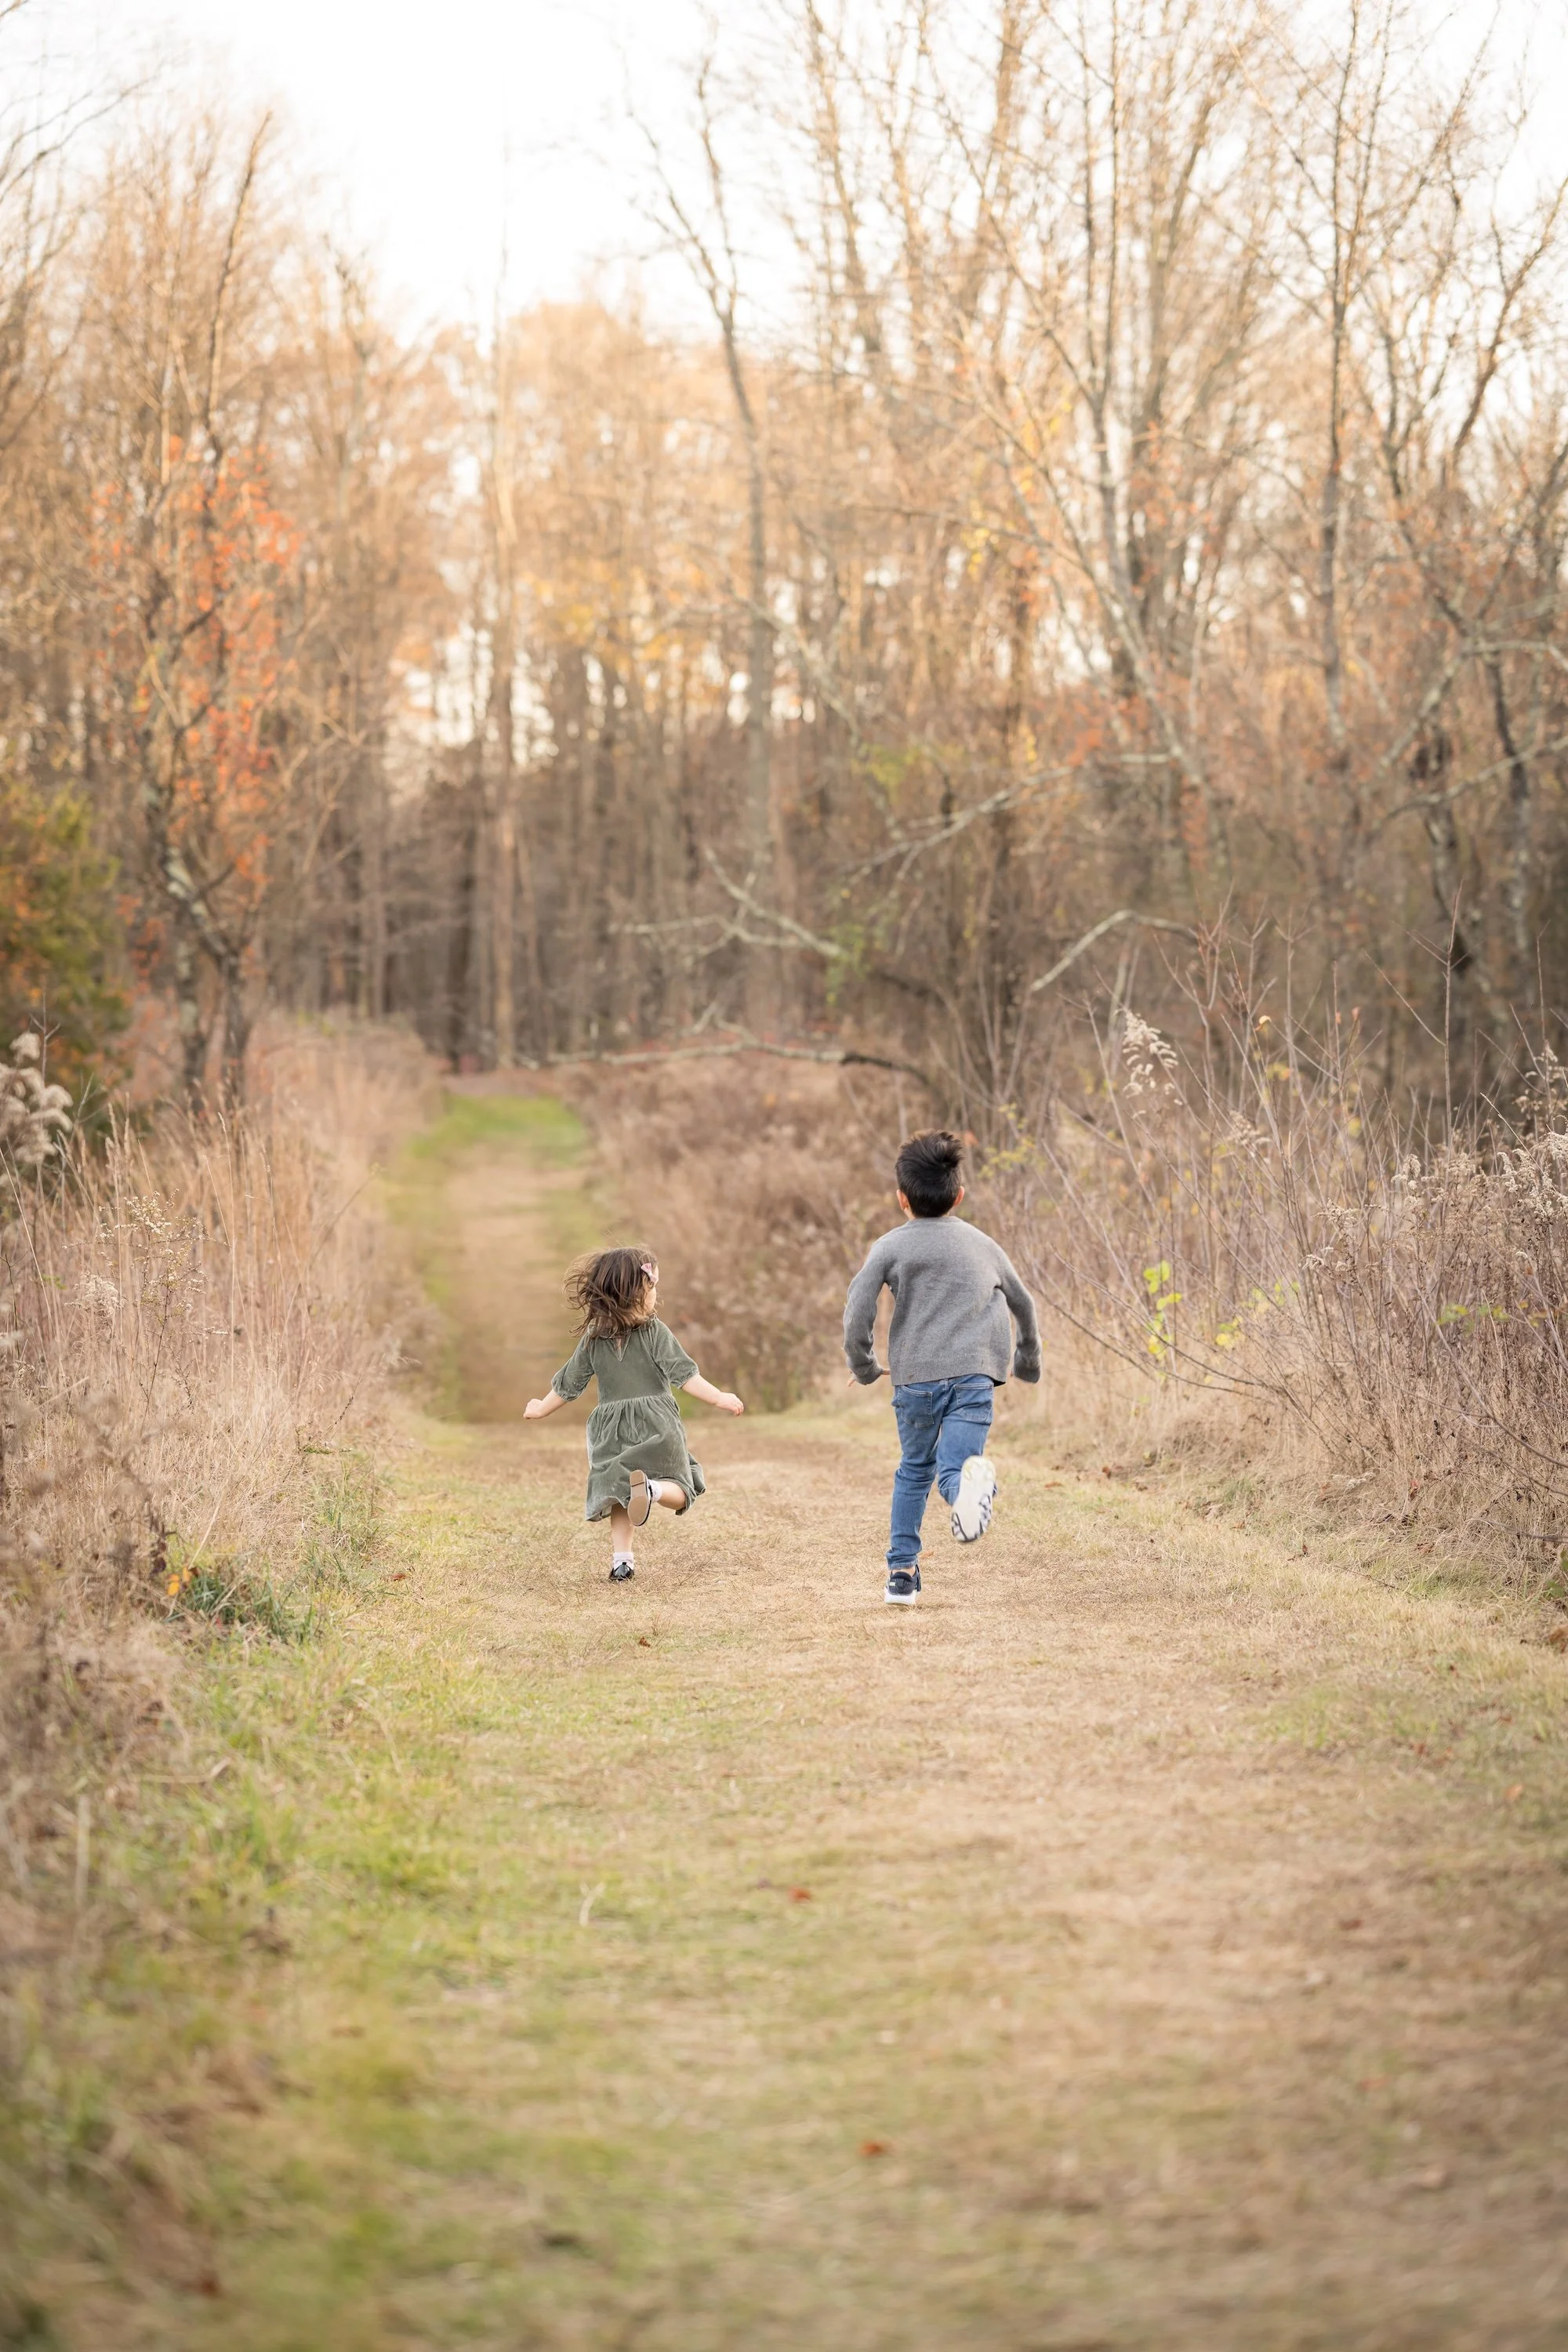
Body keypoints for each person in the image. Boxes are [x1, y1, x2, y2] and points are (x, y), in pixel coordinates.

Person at [843, 1131, 1040, 1604]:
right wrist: (1027, 1360)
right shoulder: (983, 1245)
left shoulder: (889, 1247)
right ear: (959, 1195)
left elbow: (857, 1312)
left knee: (914, 1468)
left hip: (915, 1383)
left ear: (901, 1199)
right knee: (955, 1468)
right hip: (975, 1376)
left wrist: (866, 1365)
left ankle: (901, 1576)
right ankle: (964, 1496)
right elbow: (1023, 1302)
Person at [524, 1245, 744, 1581]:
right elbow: (685, 1375)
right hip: (657, 1422)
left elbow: (570, 1383)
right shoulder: (655, 1332)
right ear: (636, 1294)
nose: (656, 1293)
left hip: (611, 1430)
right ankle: (654, 1491)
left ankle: (621, 1562)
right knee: (683, 1485)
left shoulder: (593, 1339)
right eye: (652, 1287)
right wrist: (719, 1397)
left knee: (619, 1495)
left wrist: (541, 1407)